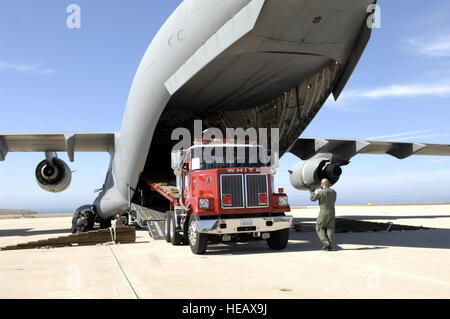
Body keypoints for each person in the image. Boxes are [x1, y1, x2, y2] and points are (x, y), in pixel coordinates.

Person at [310, 178, 337, 251]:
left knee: (318, 226)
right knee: (330, 228)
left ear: (322, 184)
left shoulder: (321, 192)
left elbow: (312, 199)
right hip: (332, 212)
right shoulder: (334, 192)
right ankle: (330, 246)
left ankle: (325, 242)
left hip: (323, 212)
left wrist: (311, 191)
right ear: (328, 184)